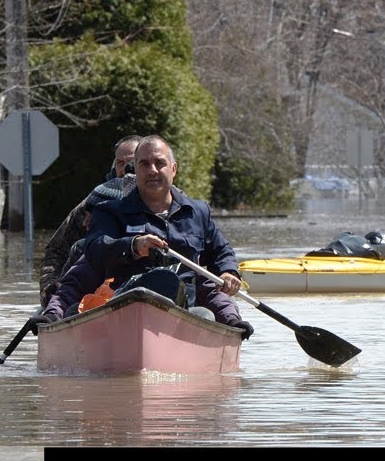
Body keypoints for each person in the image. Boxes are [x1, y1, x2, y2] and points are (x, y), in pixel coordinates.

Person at [82, 135, 252, 336]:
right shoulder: (109, 211)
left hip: (184, 312)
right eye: (144, 164)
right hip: (124, 309)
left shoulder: (198, 212)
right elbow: (94, 250)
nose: (152, 170)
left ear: (174, 169)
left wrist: (229, 273)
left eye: (160, 163)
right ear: (135, 171)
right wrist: (133, 246)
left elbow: (222, 252)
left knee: (205, 315)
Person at [38, 135, 141, 305]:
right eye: (120, 163)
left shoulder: (167, 204)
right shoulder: (92, 204)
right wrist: (50, 292)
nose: (125, 170)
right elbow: (55, 252)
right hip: (87, 293)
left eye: (132, 164)